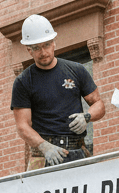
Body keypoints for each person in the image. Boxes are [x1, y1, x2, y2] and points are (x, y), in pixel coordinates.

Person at [11, 14, 105, 168]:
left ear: (54, 43)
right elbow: (22, 126)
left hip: (77, 152)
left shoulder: (77, 70)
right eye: (36, 48)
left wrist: (86, 117)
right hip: (41, 155)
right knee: (38, 192)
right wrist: (44, 146)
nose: (43, 52)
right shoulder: (23, 81)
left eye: (47, 45)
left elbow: (99, 105)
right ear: (29, 50)